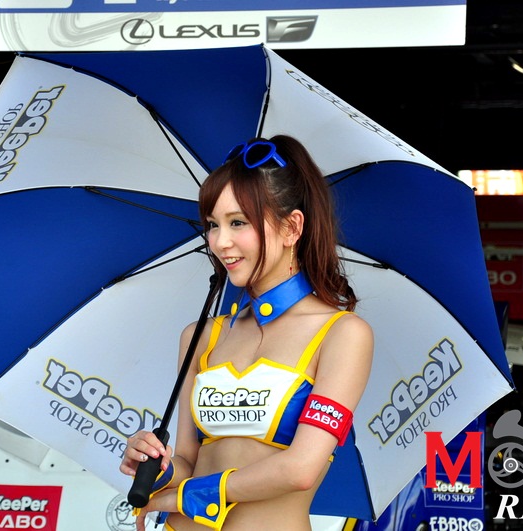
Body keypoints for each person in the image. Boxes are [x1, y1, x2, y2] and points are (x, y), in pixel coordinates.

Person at [120, 135, 374, 531]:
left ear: (291, 227)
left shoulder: (342, 334)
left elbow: (300, 469)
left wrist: (186, 496)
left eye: (238, 222)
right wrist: (157, 467)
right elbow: (188, 460)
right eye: (212, 225)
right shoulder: (199, 336)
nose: (220, 242)